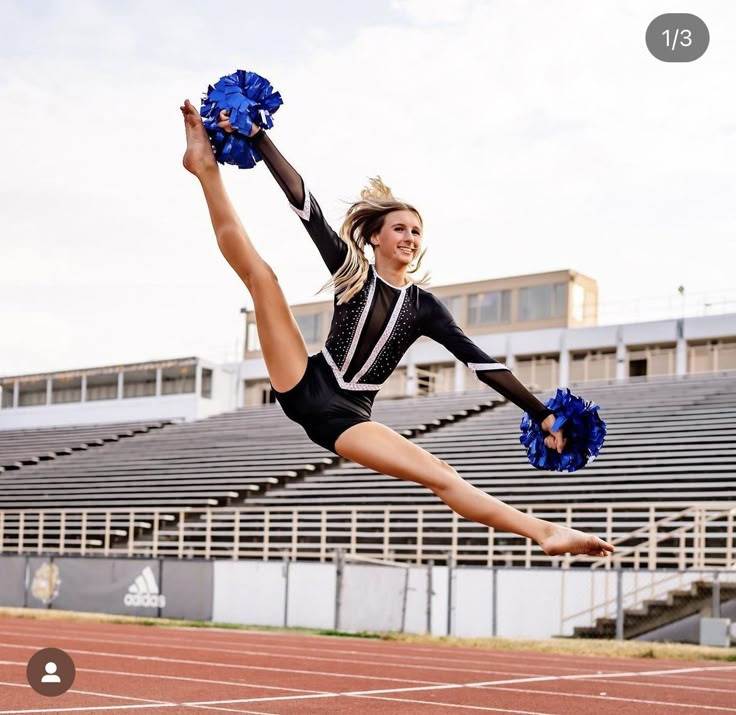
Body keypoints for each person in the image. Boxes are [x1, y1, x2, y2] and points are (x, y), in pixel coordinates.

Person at [180, 99, 614, 558]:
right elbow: (303, 202)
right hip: (305, 380)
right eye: (400, 229)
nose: (409, 237)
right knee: (263, 279)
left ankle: (546, 531)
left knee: (441, 474)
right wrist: (257, 136)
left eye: (416, 232)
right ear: (375, 237)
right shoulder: (352, 271)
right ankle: (206, 169)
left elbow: (481, 365)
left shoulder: (424, 306)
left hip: (347, 416)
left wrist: (541, 412)